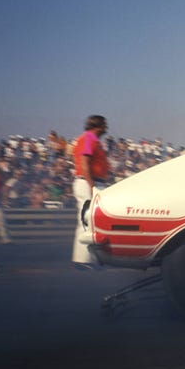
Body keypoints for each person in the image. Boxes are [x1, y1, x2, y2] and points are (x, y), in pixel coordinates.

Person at [72, 115, 110, 269]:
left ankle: (91, 259)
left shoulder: (93, 140)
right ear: (98, 126)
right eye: (104, 125)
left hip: (93, 182)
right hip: (87, 182)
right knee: (86, 221)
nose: (106, 128)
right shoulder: (88, 137)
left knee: (94, 222)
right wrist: (92, 185)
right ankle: (82, 260)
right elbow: (84, 161)